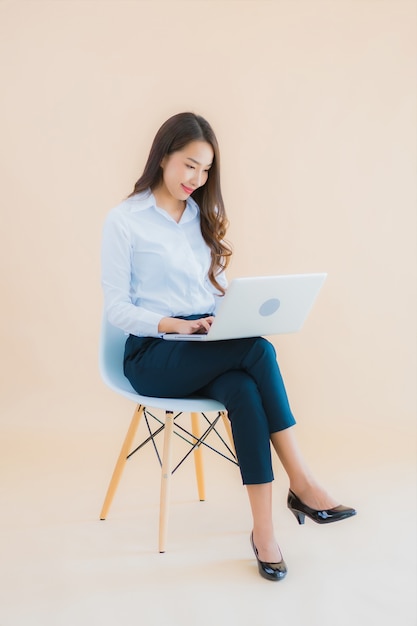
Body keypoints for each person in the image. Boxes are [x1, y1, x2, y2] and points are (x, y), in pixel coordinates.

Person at [101, 111, 356, 581]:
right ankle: (301, 482)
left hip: (200, 343)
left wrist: (230, 310)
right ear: (162, 158)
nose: (196, 179)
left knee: (242, 385)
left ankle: (264, 534)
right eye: (188, 165)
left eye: (205, 170)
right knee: (257, 352)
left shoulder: (199, 216)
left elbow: (205, 290)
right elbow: (117, 308)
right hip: (151, 353)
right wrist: (174, 325)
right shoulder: (125, 220)